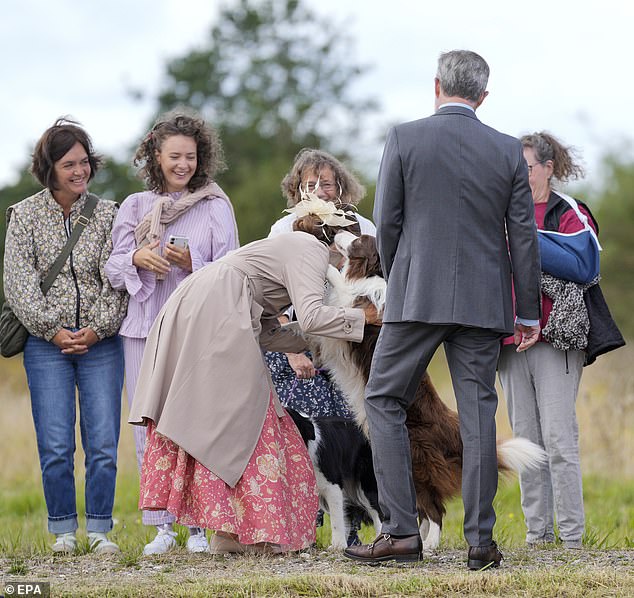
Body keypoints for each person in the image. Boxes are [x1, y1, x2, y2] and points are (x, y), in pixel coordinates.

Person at [343, 50, 542, 569]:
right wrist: (526, 312)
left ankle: (402, 533)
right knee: (479, 416)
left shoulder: (404, 138)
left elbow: (386, 223)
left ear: (437, 86)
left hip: (415, 296)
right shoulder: (505, 150)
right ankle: (481, 542)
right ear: (483, 95)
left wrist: (395, 278)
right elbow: (522, 238)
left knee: (383, 398)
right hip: (485, 300)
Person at [128, 197, 382, 555]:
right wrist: (363, 321)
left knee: (222, 422)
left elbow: (269, 333)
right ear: (336, 241)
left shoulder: (284, 250)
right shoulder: (310, 249)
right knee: (252, 416)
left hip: (206, 303)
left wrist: (327, 342)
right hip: (219, 305)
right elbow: (311, 317)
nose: (345, 267)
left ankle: (228, 534)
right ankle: (251, 534)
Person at [105, 110, 239, 555]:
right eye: (173, 156)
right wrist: (138, 260)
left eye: (190, 156)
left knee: (196, 424)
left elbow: (233, 268)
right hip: (142, 329)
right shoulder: (135, 206)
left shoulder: (215, 205)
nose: (182, 164)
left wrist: (191, 263)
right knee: (148, 427)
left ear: (200, 158)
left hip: (194, 332)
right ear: (155, 157)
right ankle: (161, 527)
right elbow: (112, 264)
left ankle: (199, 525)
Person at [3, 118, 127, 554]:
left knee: (103, 444)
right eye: (69, 164)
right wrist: (54, 331)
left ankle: (98, 530)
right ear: (49, 167)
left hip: (102, 344)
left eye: (84, 162)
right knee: (56, 444)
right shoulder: (23, 216)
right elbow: (17, 284)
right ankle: (62, 531)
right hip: (45, 346)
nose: (80, 171)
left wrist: (96, 330)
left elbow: (117, 279)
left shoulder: (111, 214)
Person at [267, 149, 374, 544]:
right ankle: (302, 528)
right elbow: (269, 297)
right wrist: (291, 348)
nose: (318, 190)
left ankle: (356, 528)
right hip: (303, 345)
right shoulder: (283, 231)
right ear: (296, 189)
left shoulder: (360, 227)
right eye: (309, 184)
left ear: (341, 186)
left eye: (326, 183)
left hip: (349, 347)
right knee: (305, 441)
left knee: (353, 439)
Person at [497, 132, 597, 550]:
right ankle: (537, 537)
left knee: (558, 440)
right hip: (508, 341)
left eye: (527, 167)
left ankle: (572, 540)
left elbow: (584, 264)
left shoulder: (567, 210)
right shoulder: (499, 211)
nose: (520, 175)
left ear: (548, 168)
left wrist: (522, 237)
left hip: (556, 340)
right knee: (527, 442)